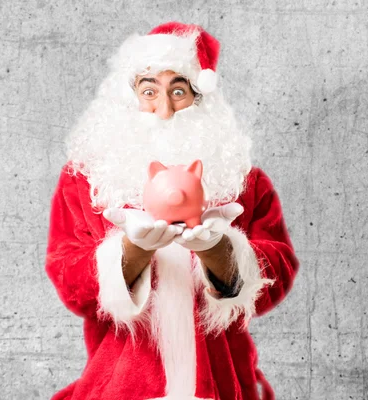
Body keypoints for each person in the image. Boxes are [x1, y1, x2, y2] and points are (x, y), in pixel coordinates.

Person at [45, 21, 299, 400]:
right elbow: (69, 278)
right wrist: (130, 254)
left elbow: (277, 273)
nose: (163, 110)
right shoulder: (87, 180)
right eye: (149, 91)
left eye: (178, 91)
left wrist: (222, 253)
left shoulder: (243, 182)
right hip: (123, 382)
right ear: (126, 97)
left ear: (200, 98)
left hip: (219, 382)